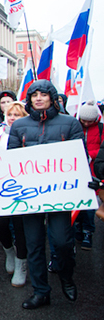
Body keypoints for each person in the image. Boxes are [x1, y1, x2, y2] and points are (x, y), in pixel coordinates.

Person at [2, 80, 90, 309]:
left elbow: (80, 158)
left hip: (60, 196)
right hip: (30, 197)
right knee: (34, 245)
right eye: (34, 94)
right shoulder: (19, 126)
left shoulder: (70, 123)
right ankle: (41, 291)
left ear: (52, 97)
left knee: (61, 242)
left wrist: (89, 179)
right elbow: (11, 161)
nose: (38, 98)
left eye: (43, 94)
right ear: (29, 99)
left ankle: (66, 276)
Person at [0, 101, 28, 287]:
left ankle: (21, 263)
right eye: (10, 114)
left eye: (17, 115)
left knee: (20, 227)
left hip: (23, 187)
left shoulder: (29, 133)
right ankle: (9, 251)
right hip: (1, 186)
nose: (12, 118)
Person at [75, 100, 102, 250]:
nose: (85, 123)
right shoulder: (75, 125)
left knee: (90, 204)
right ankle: (78, 226)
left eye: (88, 121)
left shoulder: (101, 128)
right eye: (83, 120)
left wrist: (91, 155)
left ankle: (88, 232)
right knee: (78, 201)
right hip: (76, 169)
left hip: (92, 170)